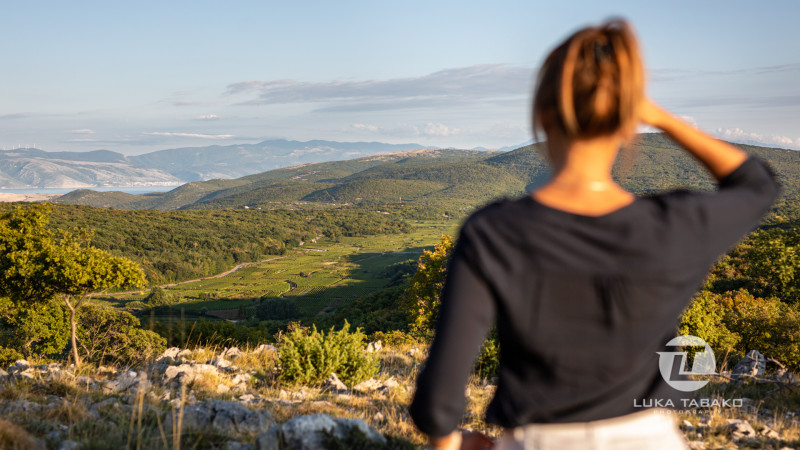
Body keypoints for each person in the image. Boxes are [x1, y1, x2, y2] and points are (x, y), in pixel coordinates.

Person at [408, 18, 780, 450]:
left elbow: (438, 403)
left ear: (544, 117)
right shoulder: (675, 225)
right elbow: (758, 185)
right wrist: (657, 116)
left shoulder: (494, 232)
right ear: (626, 124)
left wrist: (450, 444)